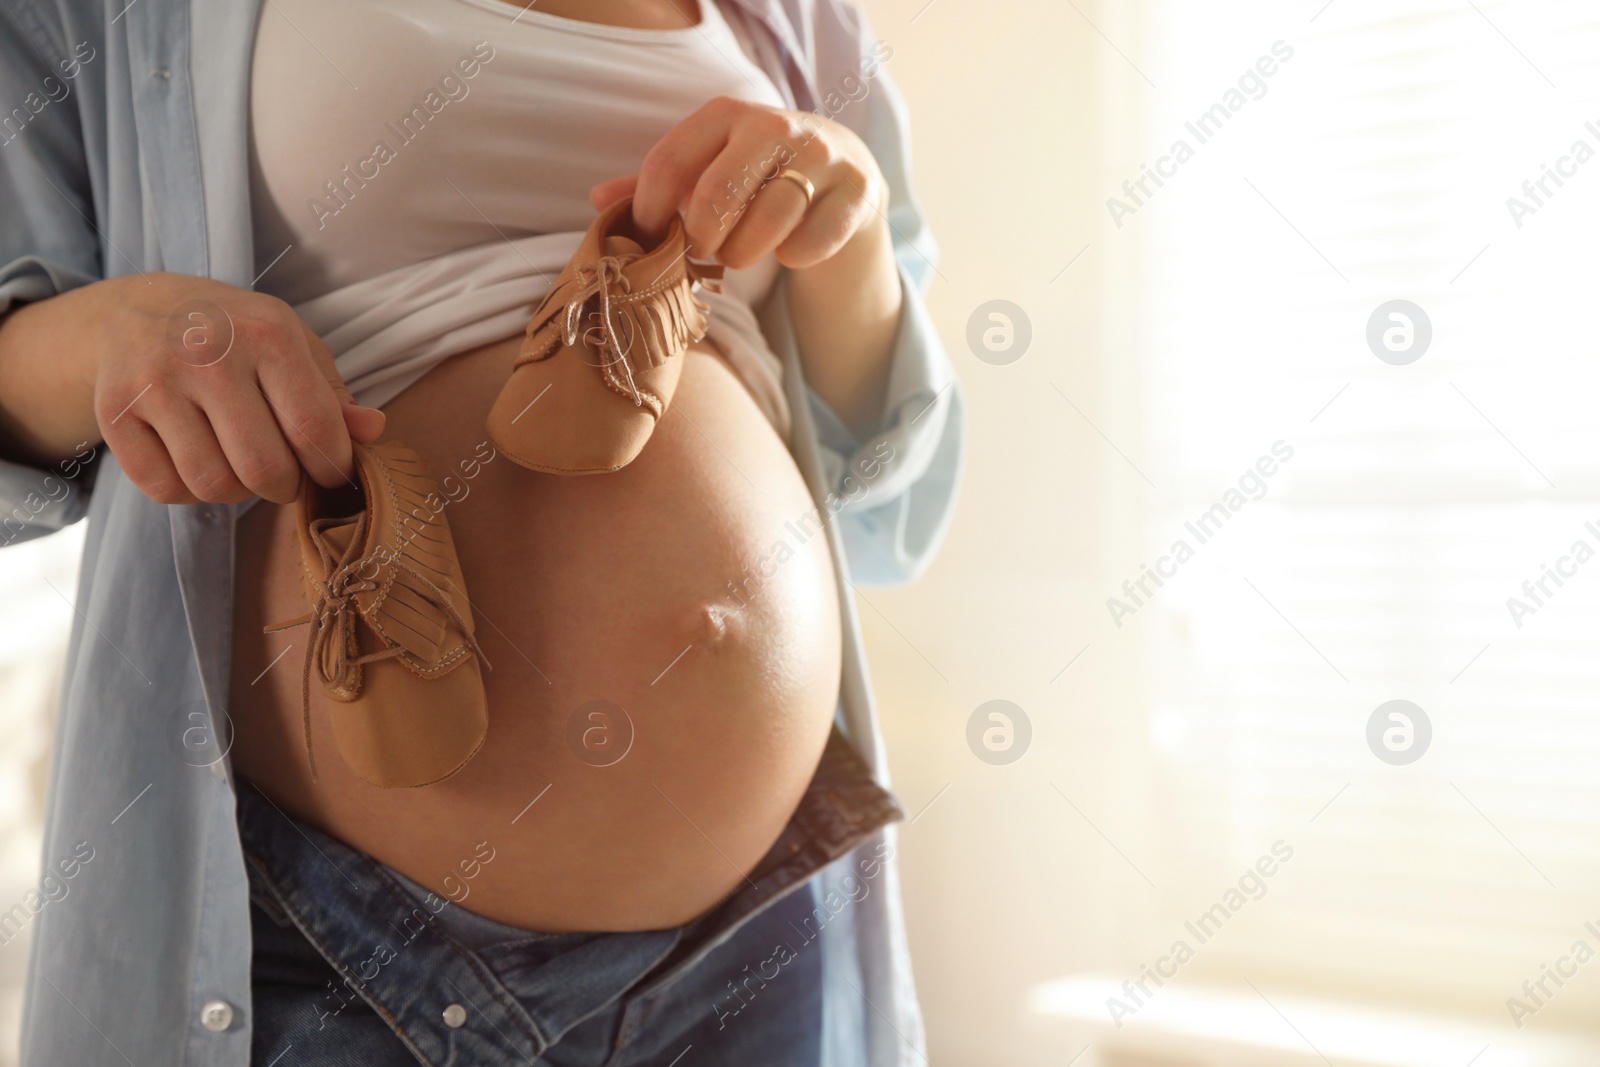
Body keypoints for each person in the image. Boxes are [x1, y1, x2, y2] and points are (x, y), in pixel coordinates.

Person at [0, 0, 962, 1063]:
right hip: (340, 944)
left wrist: (848, 235)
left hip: (759, 934)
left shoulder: (803, 21)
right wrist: (103, 336)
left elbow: (885, 503)